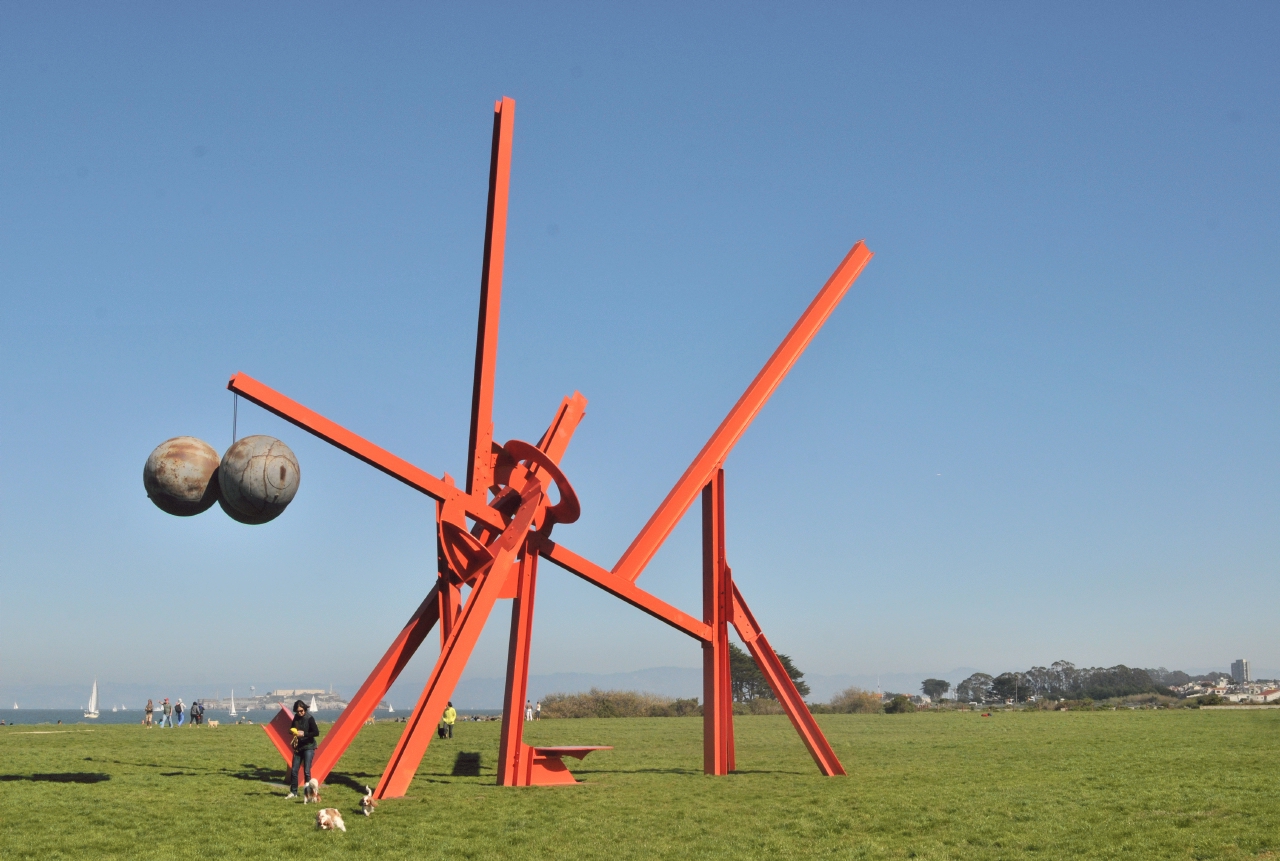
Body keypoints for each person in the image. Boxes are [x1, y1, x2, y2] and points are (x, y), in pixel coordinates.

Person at [285, 699, 320, 799]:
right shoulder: (296, 717)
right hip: (298, 747)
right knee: (294, 770)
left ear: (305, 709)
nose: (300, 713)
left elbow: (316, 732)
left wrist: (304, 734)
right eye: (298, 711)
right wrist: (293, 732)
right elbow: (291, 728)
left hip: (309, 747)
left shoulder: (310, 718)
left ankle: (308, 793)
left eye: (302, 711)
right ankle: (293, 792)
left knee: (307, 771)